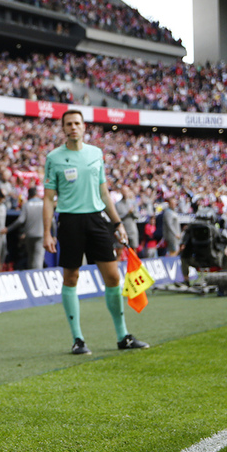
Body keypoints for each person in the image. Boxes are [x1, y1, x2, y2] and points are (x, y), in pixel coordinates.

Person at [42, 110, 149, 355]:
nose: (73, 127)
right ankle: (78, 339)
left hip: (97, 220)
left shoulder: (96, 154)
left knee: (112, 277)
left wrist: (117, 223)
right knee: (71, 279)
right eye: (68, 124)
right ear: (63, 128)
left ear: (84, 126)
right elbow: (48, 199)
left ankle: (123, 336)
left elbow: (104, 193)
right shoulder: (54, 158)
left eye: (77, 123)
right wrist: (47, 232)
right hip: (69, 222)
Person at [6, 185, 46, 269]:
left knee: (31, 258)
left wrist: (8, 229)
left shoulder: (26, 205)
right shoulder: (44, 204)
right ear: (37, 194)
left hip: (29, 234)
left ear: (29, 195)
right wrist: (53, 234)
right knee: (38, 258)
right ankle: (37, 278)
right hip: (41, 234)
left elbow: (21, 220)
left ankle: (32, 277)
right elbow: (52, 220)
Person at [115, 186, 140, 254]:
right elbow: (117, 218)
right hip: (122, 229)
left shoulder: (133, 203)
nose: (125, 193)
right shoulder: (117, 204)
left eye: (126, 191)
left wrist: (132, 212)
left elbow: (137, 216)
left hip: (132, 229)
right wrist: (127, 213)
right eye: (123, 191)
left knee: (134, 249)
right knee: (119, 250)